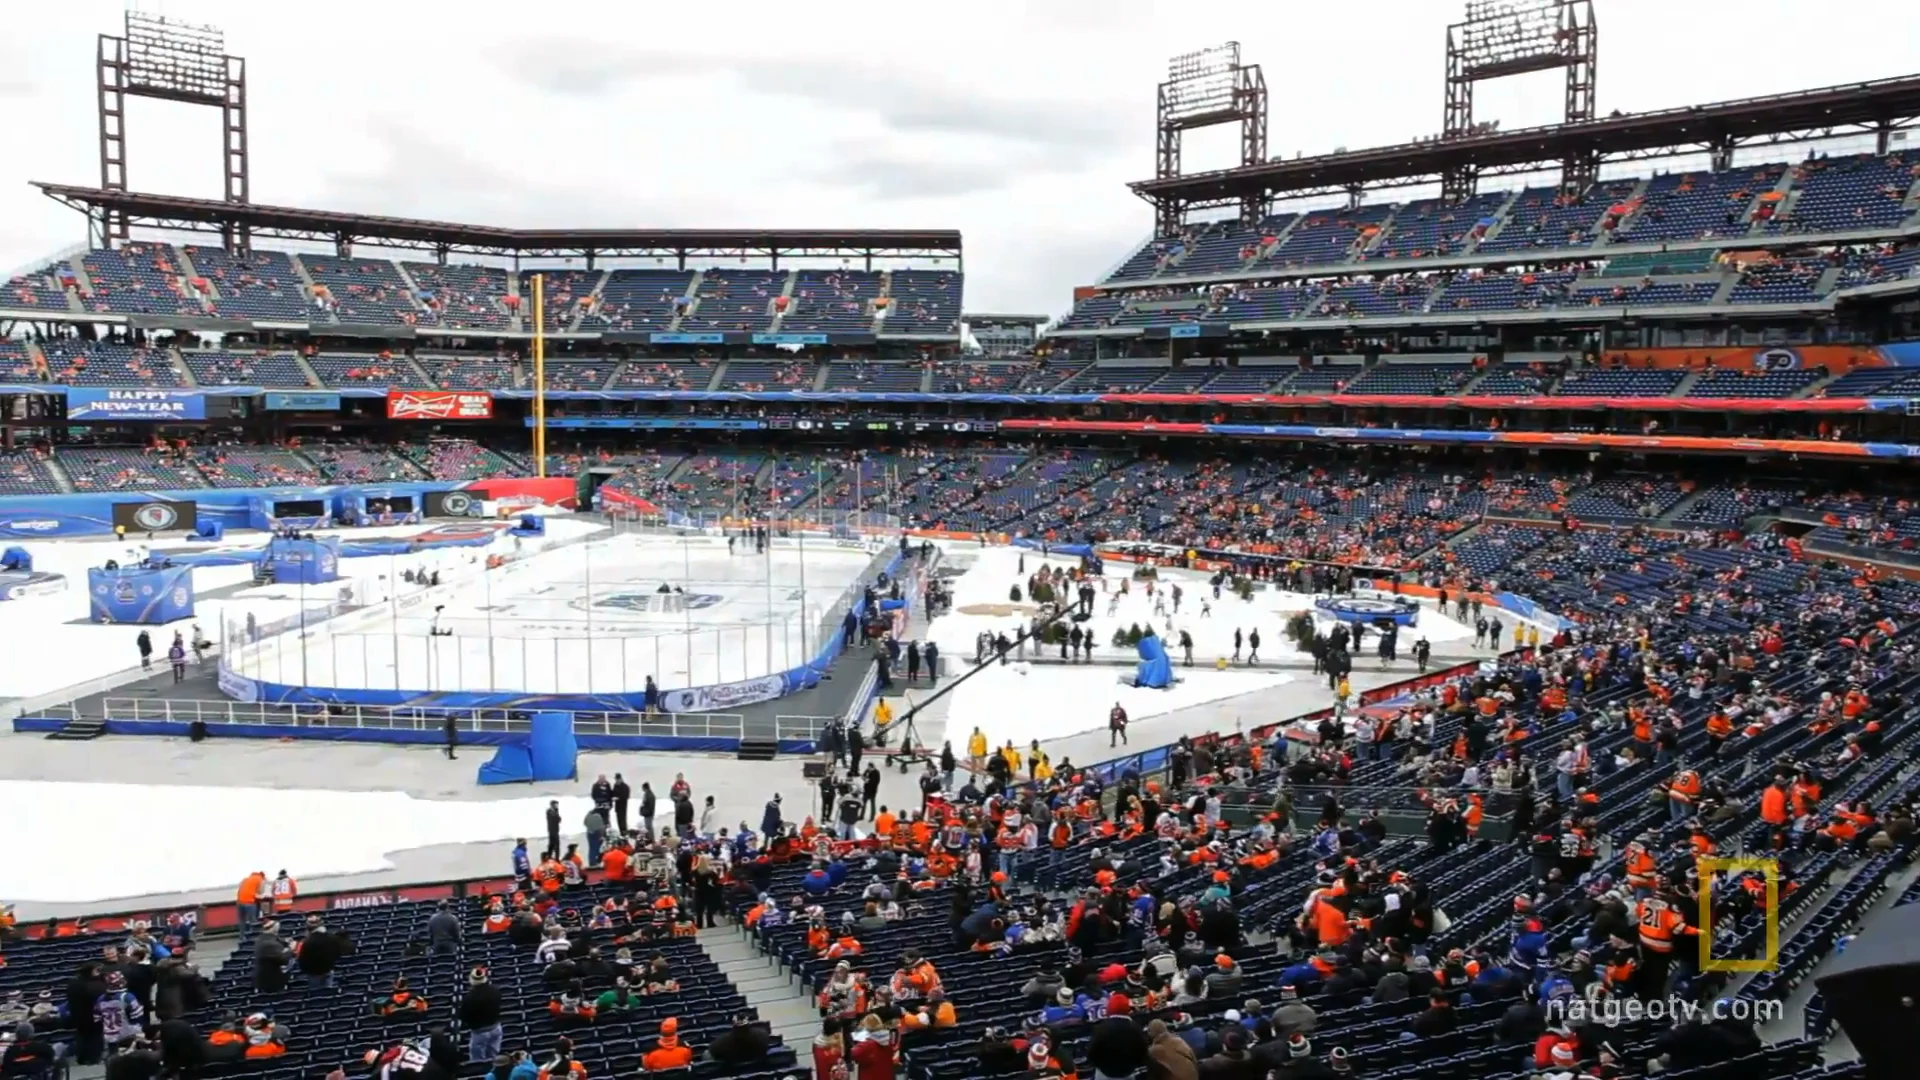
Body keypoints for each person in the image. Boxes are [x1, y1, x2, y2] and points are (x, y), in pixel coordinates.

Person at [460, 967, 503, 1063]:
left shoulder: (469, 998)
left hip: (479, 1033)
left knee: (478, 1061)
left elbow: (463, 1016)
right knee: (494, 1058)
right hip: (496, 1028)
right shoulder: (495, 991)